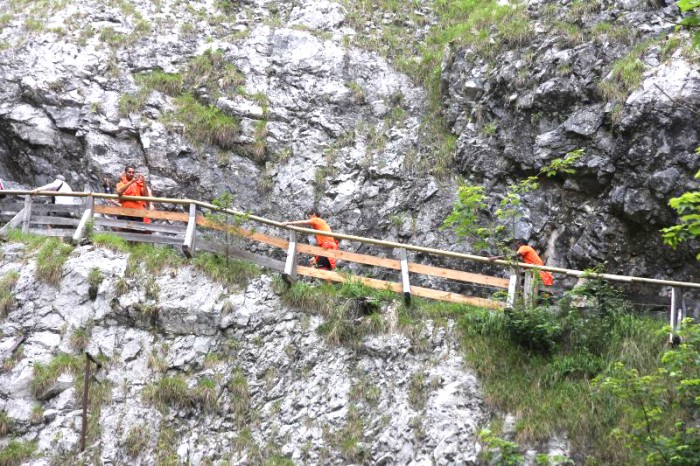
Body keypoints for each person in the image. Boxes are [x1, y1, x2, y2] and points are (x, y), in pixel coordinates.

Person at [490, 238, 554, 286]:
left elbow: (514, 256)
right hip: (540, 274)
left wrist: (497, 257)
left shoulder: (524, 247)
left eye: (516, 245)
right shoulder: (528, 249)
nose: (516, 247)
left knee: (523, 284)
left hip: (538, 274)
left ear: (520, 244)